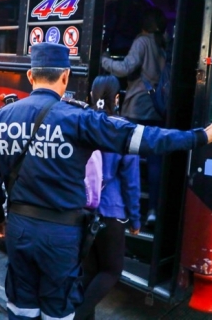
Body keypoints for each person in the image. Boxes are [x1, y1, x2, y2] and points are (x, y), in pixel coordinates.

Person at [0, 42, 212, 320]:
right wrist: (199, 136)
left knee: (20, 306)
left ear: (30, 76)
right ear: (65, 75)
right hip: (61, 234)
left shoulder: (3, 116)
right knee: (58, 310)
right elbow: (142, 138)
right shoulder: (78, 119)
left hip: (19, 229)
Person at [75, 75, 141, 320]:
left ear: (91, 95)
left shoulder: (81, 123)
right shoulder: (123, 129)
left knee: (89, 271)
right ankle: (76, 315)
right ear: (117, 98)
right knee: (112, 270)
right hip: (112, 211)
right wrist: (134, 219)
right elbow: (131, 182)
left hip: (83, 207)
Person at [101, 7, 167, 225]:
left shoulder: (142, 41)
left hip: (138, 106)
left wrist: (104, 60)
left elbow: (126, 68)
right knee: (155, 161)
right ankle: (154, 210)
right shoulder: (163, 43)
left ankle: (126, 208)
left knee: (128, 157)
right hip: (157, 108)